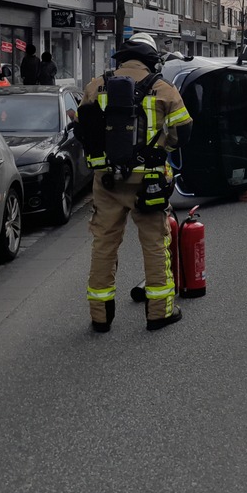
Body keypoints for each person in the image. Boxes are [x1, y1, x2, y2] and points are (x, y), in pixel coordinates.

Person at [79, 32, 193, 333]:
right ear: (151, 59)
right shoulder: (163, 88)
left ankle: (100, 315)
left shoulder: (96, 85)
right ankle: (159, 312)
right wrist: (162, 149)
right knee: (155, 244)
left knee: (104, 244)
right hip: (149, 182)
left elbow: (84, 128)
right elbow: (184, 129)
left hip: (107, 182)